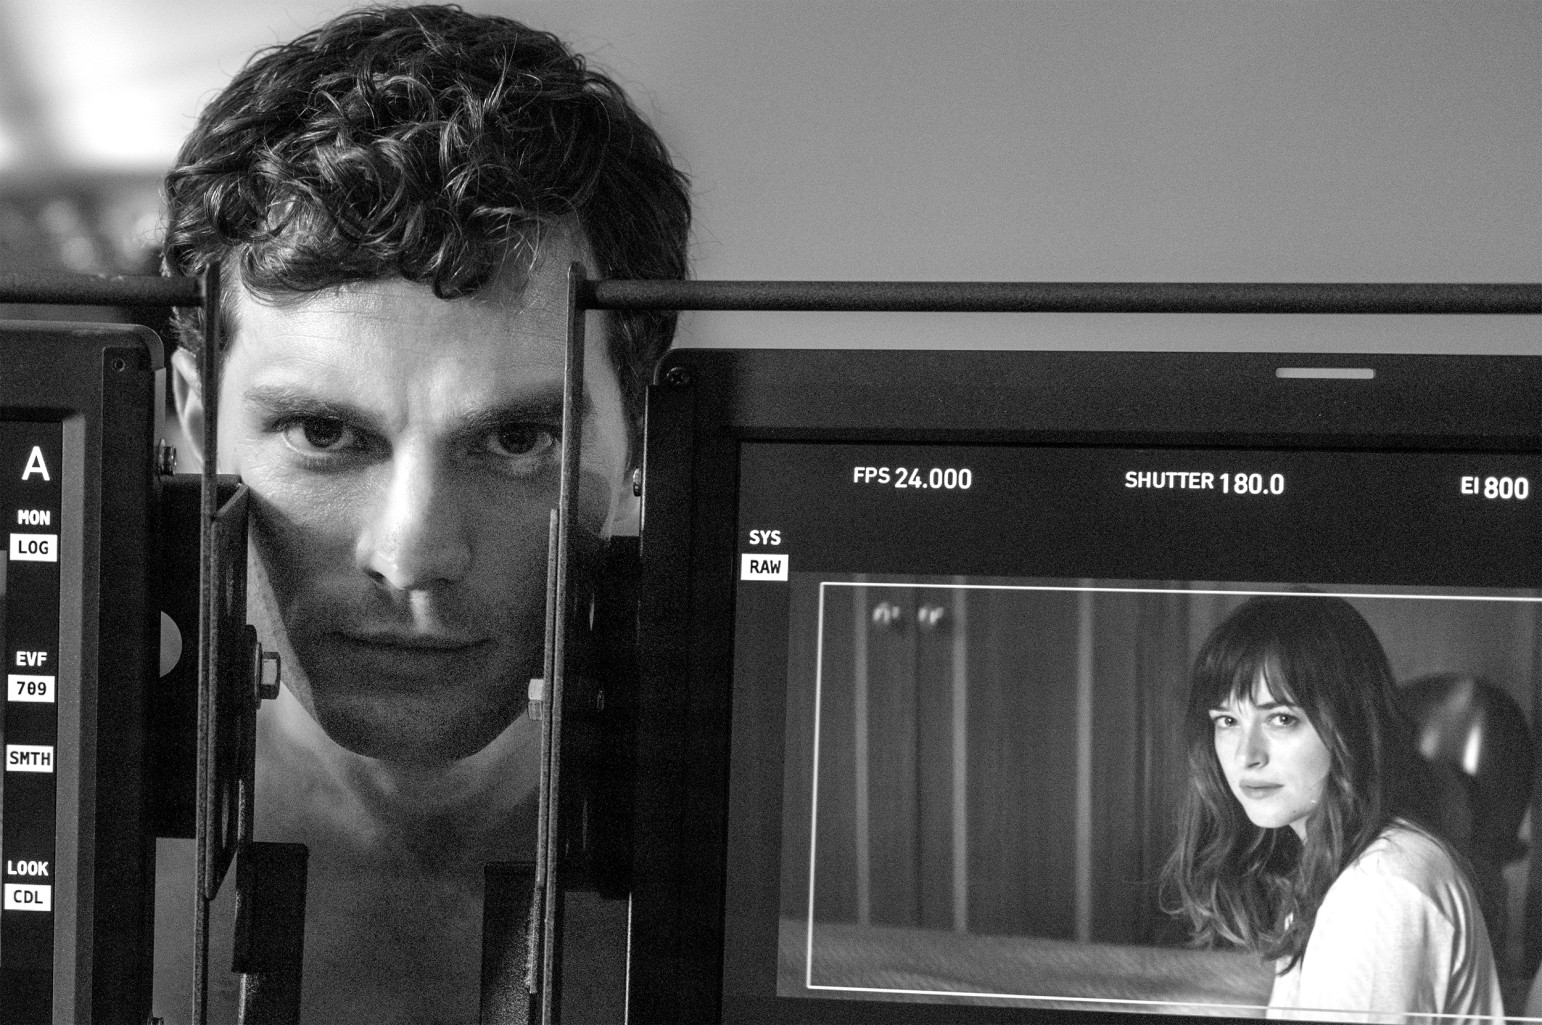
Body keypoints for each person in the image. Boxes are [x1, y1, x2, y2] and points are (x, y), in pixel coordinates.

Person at [156, 5, 689, 1021]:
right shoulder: (55, 857)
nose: (411, 555)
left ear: (647, 440)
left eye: (517, 439)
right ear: (195, 419)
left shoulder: (750, 869)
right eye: (323, 432)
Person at [1162, 595, 1504, 1024]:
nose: (1246, 756)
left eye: (1281, 718)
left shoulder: (1380, 891)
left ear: (1350, 725)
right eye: (1227, 721)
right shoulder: (1336, 866)